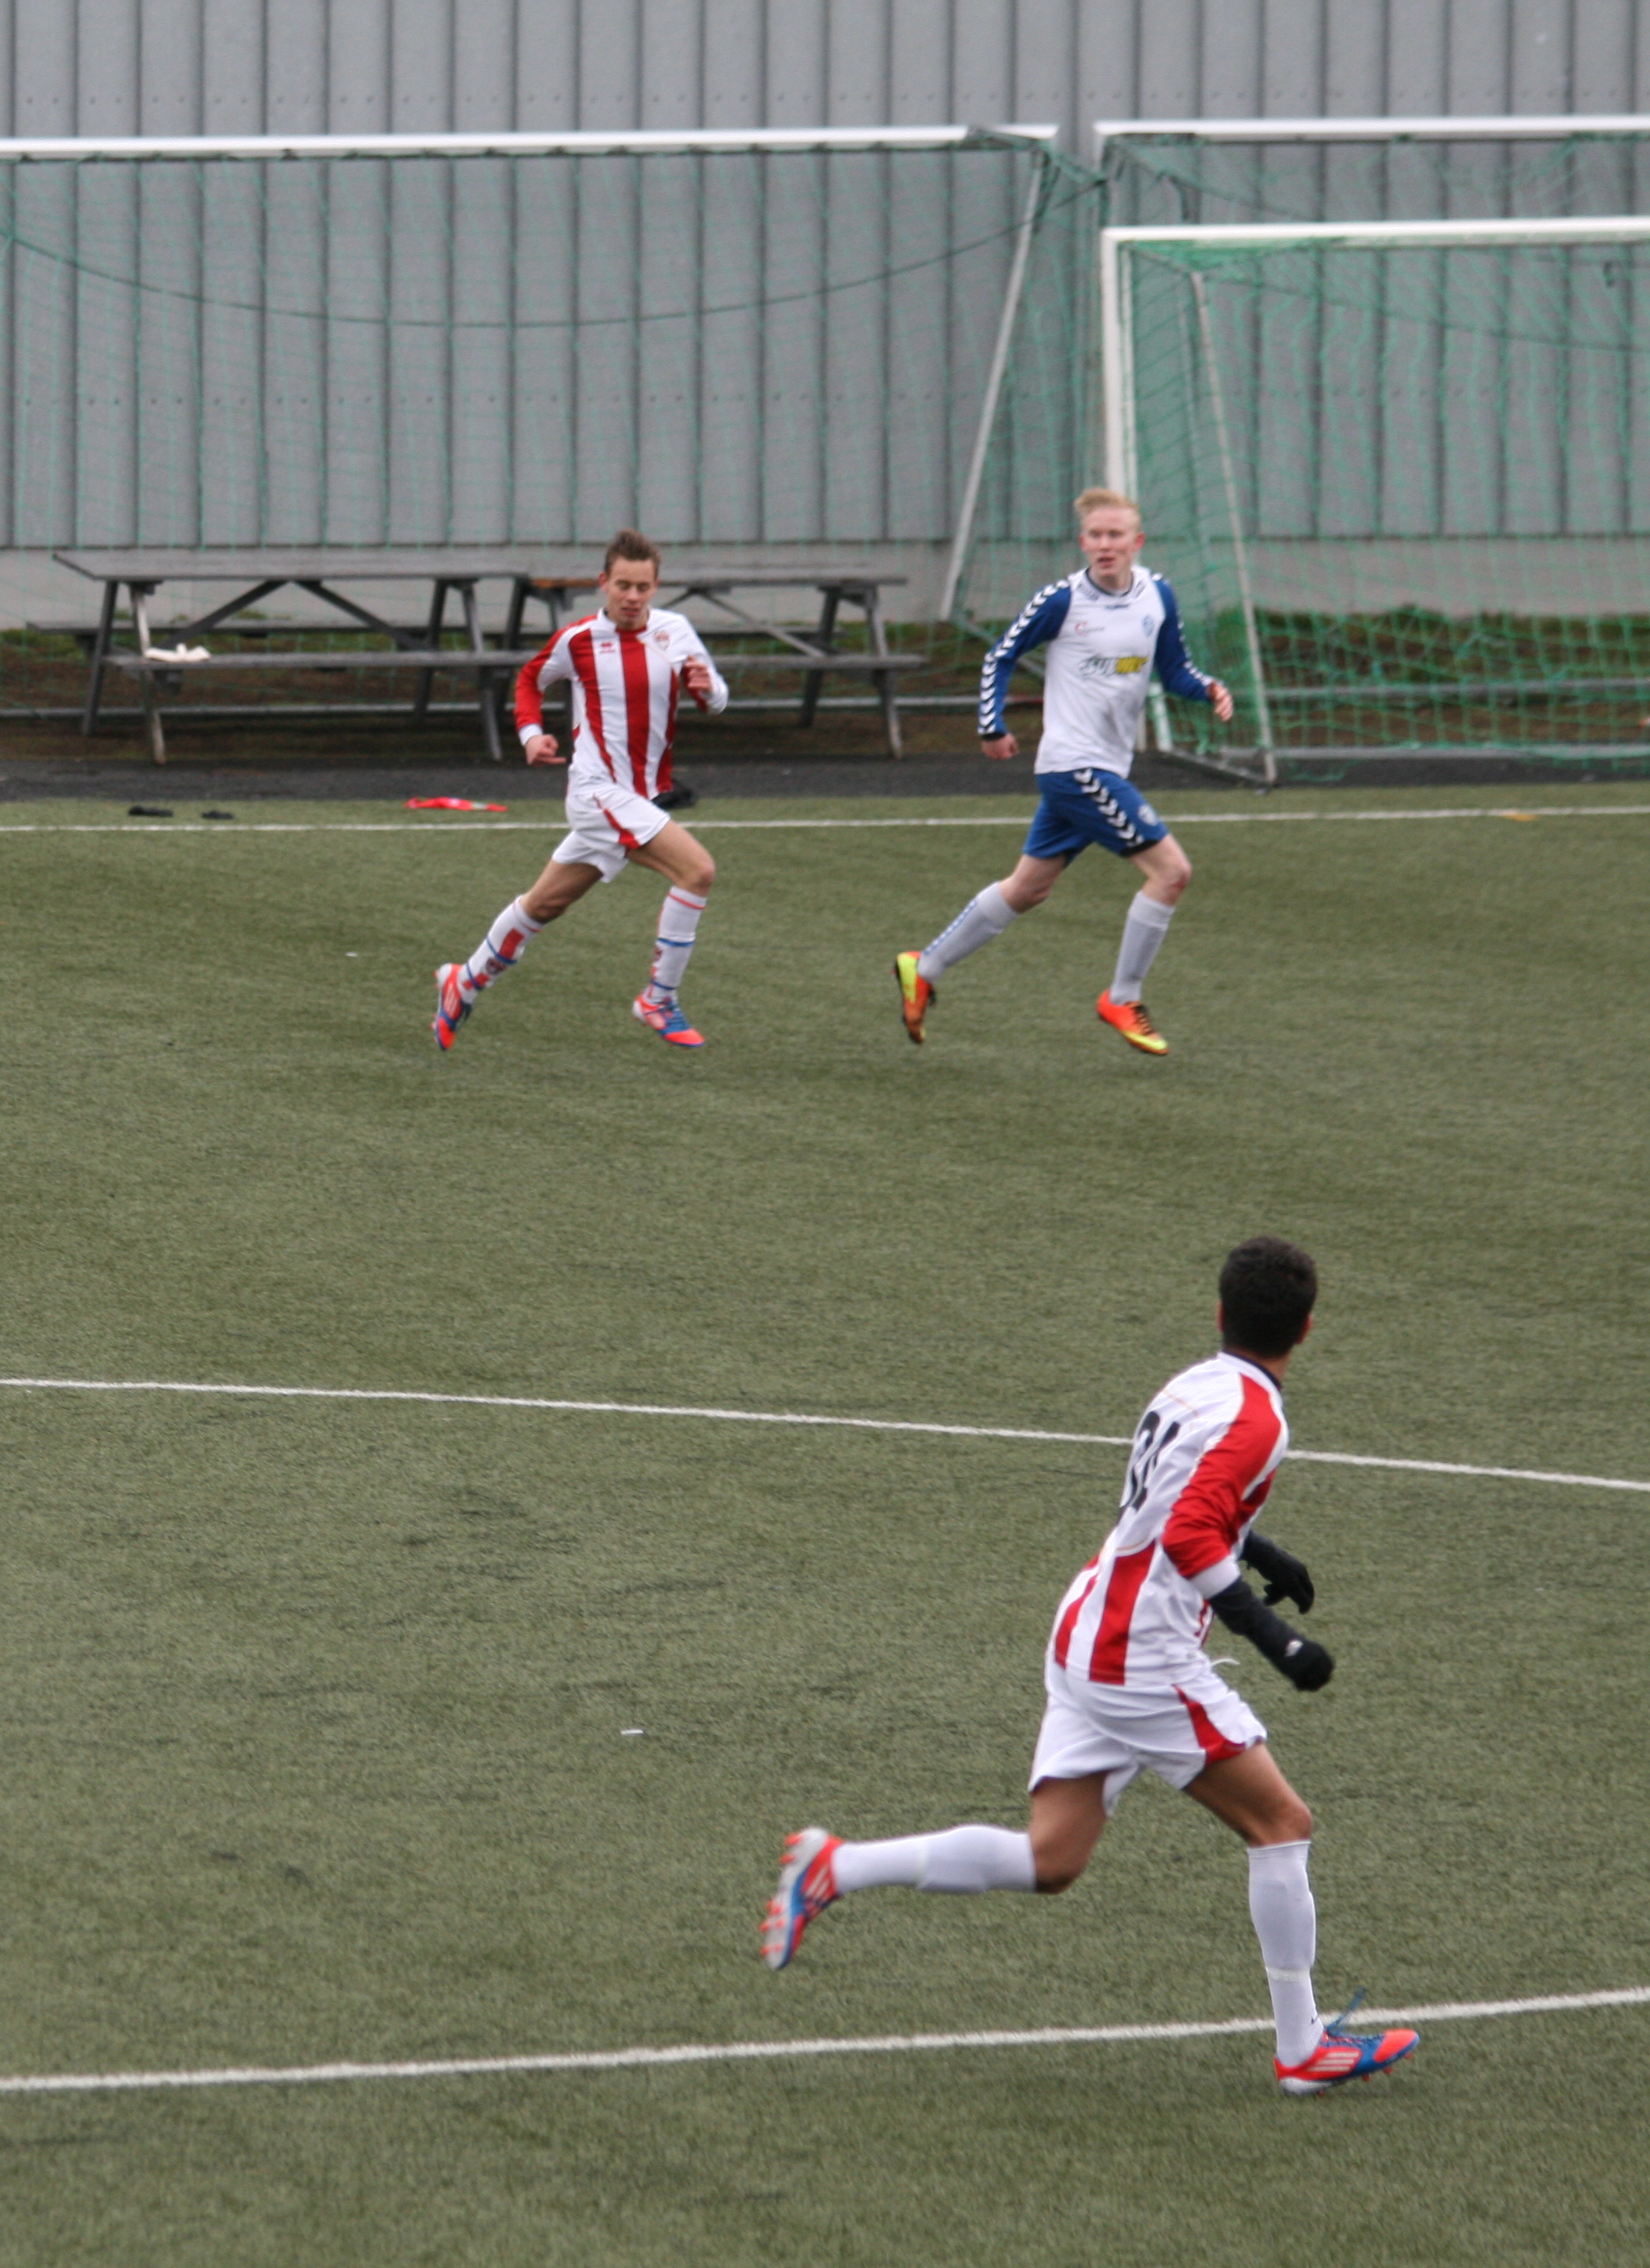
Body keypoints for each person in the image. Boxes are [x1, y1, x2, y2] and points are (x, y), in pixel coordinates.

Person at [760, 1238, 1420, 2098]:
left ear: (1221, 1314)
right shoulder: (1260, 1420)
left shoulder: (1192, 1385)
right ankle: (1302, 2050)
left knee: (1052, 1858)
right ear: (1307, 1329)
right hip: (1139, 1656)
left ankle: (833, 1867)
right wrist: (1277, 1641)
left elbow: (1174, 1501)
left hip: (1088, 1630)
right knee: (1281, 1825)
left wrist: (1264, 1551)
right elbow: (1187, 1532)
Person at [895, 489, 1236, 1057]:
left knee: (1028, 889)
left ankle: (923, 967)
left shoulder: (1158, 595)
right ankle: (1123, 996)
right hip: (1076, 766)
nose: (1105, 545)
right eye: (1095, 536)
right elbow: (1000, 655)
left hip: (1099, 766)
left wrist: (1207, 689)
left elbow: (1174, 669)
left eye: (1115, 535)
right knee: (1172, 872)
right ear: (1083, 542)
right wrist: (991, 726)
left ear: (1136, 542)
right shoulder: (1061, 600)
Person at [433, 530, 728, 1052]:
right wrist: (530, 735)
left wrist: (707, 689)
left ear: (656, 587)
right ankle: (658, 999)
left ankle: (466, 979)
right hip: (597, 793)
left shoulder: (675, 630)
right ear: (603, 583)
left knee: (544, 904)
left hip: (638, 798)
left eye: (642, 587)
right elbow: (530, 680)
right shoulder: (579, 640)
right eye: (623, 585)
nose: (632, 597)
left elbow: (716, 695)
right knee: (697, 871)